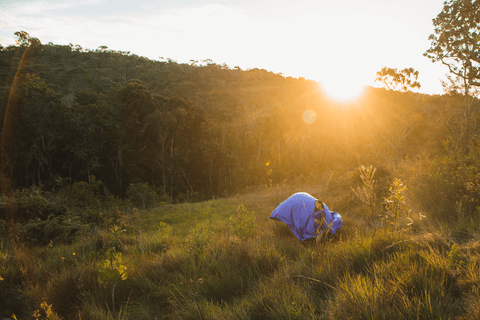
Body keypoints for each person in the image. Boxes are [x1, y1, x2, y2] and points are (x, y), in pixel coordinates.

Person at [269, 192, 342, 242]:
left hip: (305, 205)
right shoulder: (326, 213)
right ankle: (323, 235)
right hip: (320, 212)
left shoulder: (290, 205)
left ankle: (321, 236)